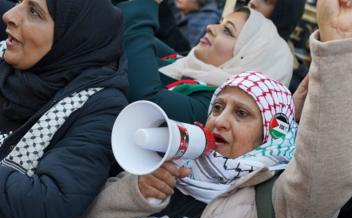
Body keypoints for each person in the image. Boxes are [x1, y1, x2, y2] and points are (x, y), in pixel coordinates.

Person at [67, 0, 352, 218]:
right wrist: (137, 194)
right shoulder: (168, 166)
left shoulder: (276, 207)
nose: (219, 121)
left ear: (268, 135)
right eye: (217, 107)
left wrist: (335, 47)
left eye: (242, 114)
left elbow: (326, 173)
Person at [0, 0, 128, 218]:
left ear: (73, 35)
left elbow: (49, 204)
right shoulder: (5, 56)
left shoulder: (102, 107)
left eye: (34, 12)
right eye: (20, 3)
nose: (9, 15)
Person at [119, 0, 293, 125]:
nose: (211, 27)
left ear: (248, 58)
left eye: (227, 31)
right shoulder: (184, 63)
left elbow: (147, 99)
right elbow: (123, 28)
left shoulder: (217, 107)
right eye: (220, 23)